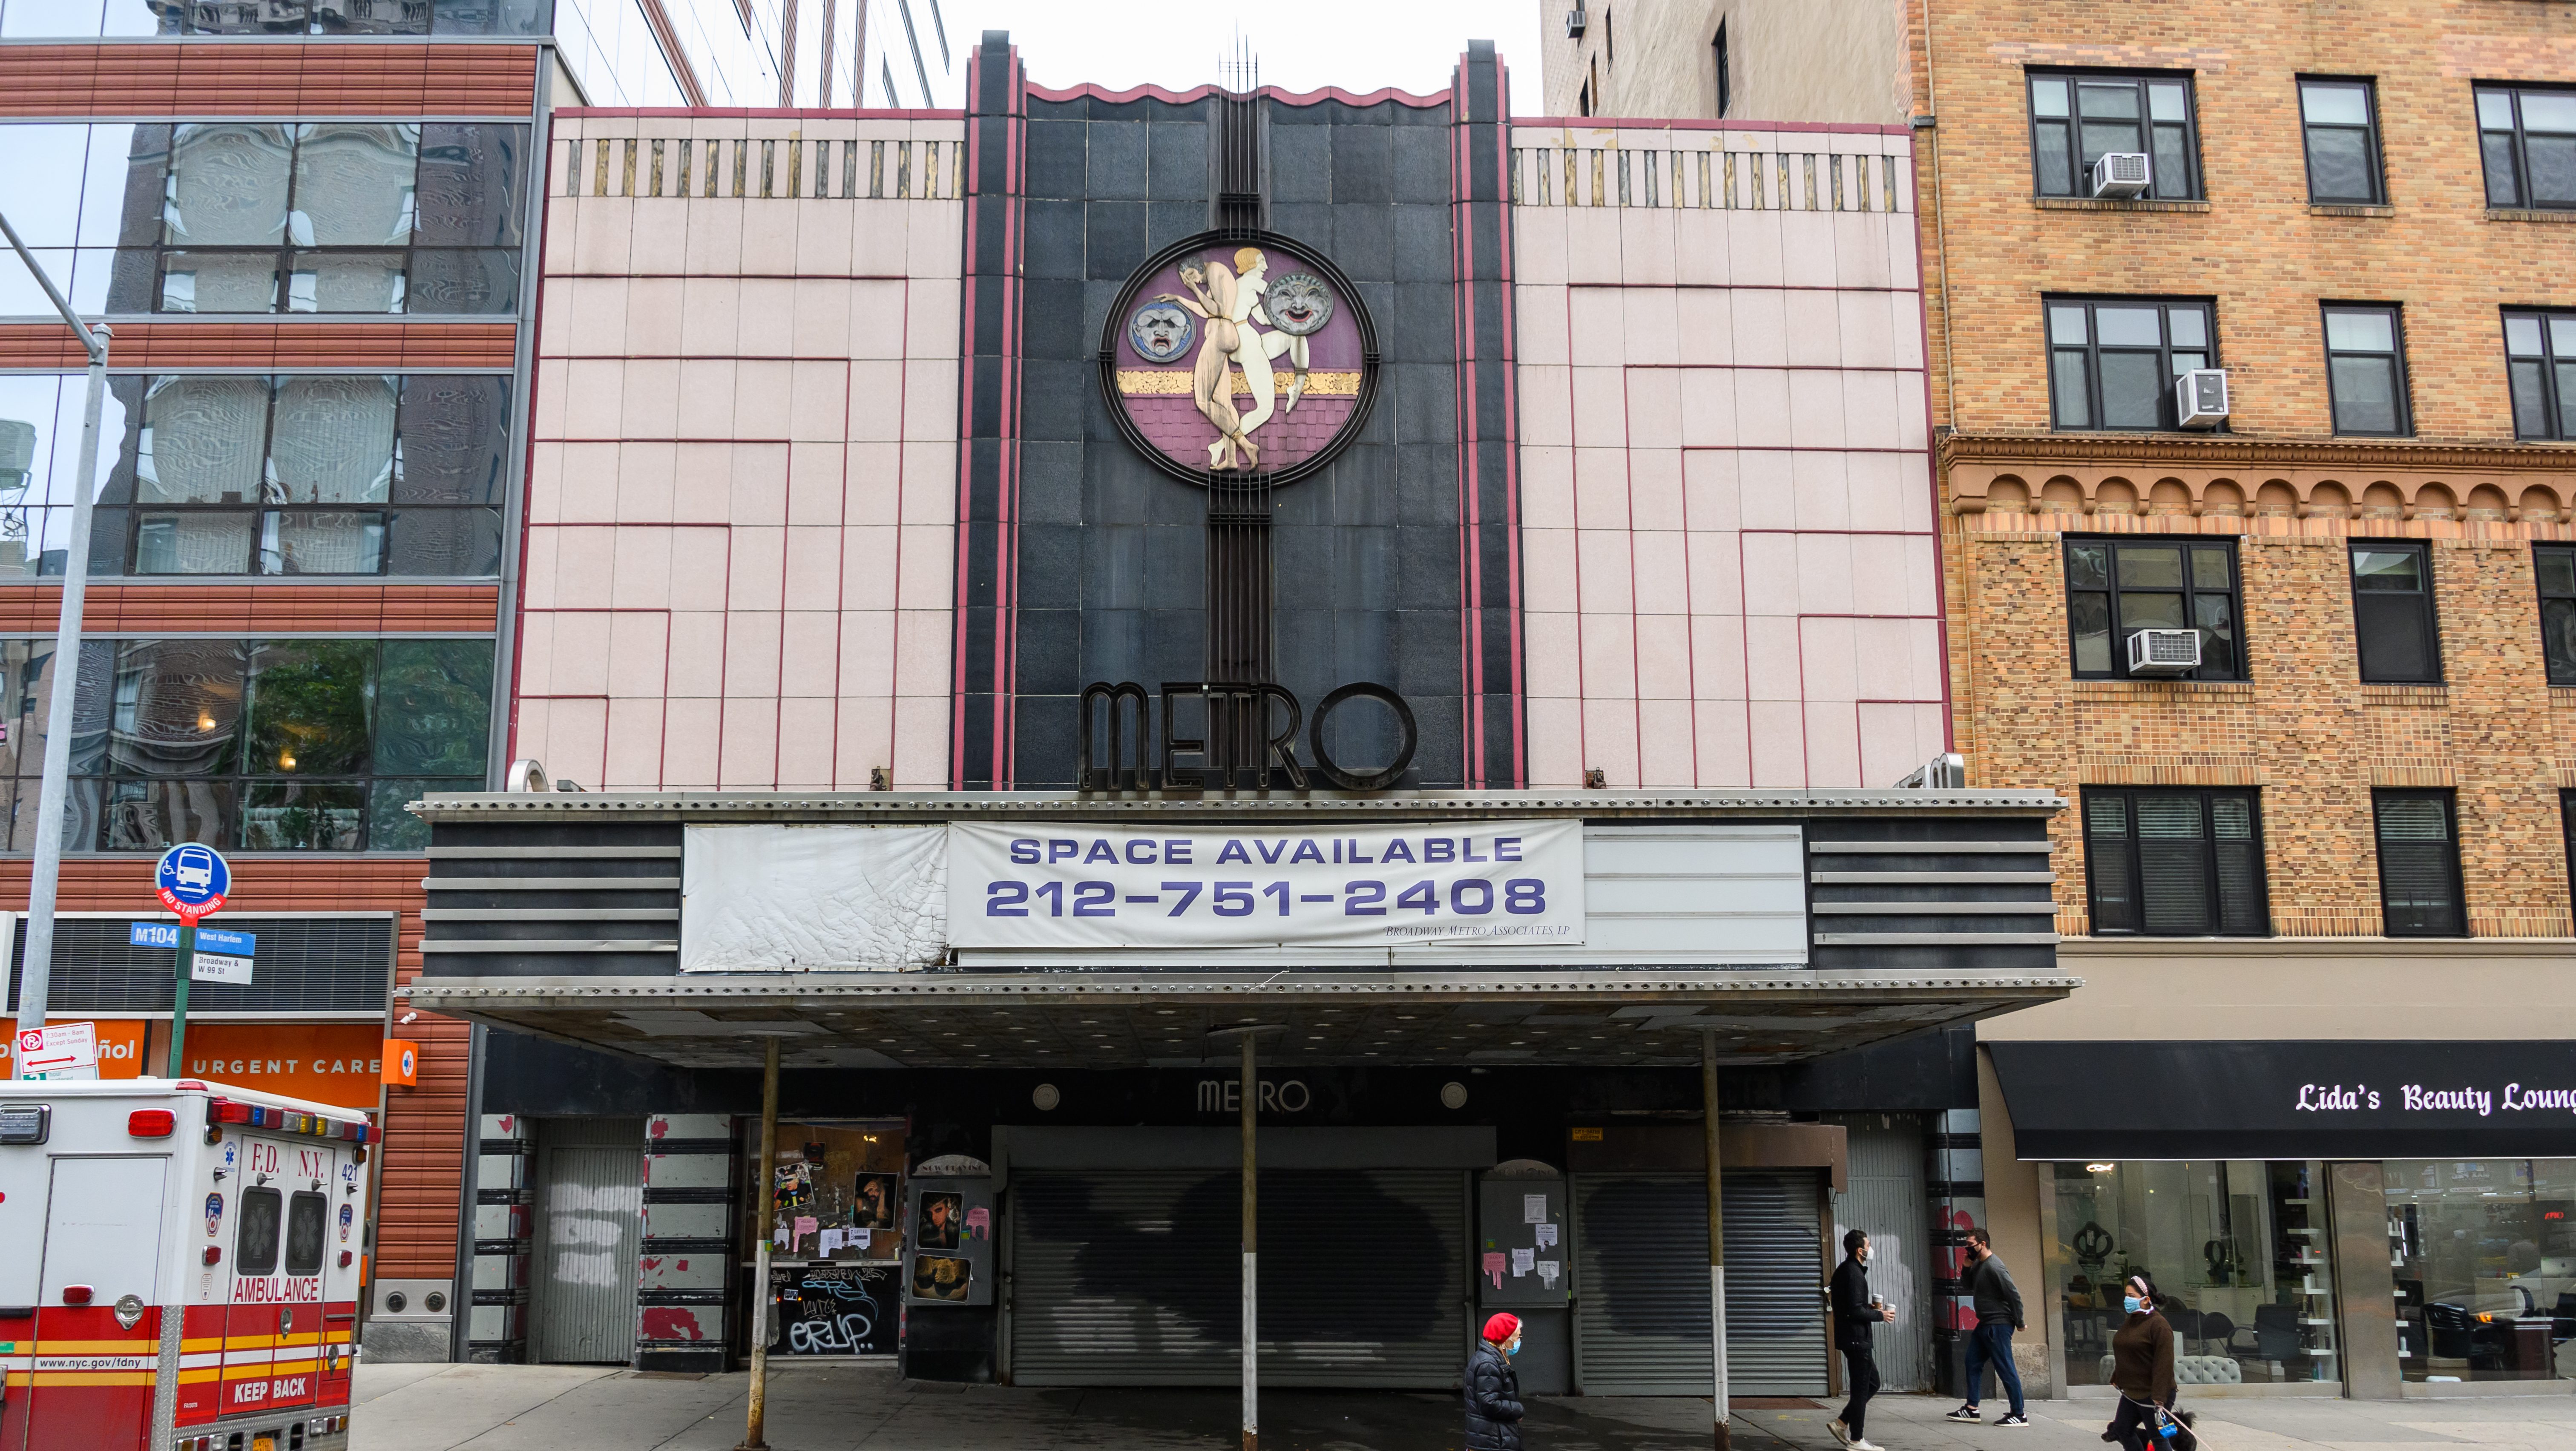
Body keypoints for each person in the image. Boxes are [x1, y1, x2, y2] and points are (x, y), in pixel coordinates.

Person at [1947, 1226, 2030, 1426]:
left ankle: (2019, 1414)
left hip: (1999, 1325)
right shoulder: (1978, 1264)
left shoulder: (1995, 1266)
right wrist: (1966, 1267)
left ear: (1982, 1244)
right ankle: (1972, 1409)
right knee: (1972, 1362)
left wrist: (2019, 1322)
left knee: (2005, 1368)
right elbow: (1967, 1287)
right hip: (1985, 1324)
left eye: (1970, 1245)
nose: (1967, 1249)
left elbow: (2014, 1295)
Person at [1829, 1229, 1895, 1451]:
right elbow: (1854, 1311)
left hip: (1854, 1338)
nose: (1870, 1248)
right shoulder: (1854, 1273)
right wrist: (1880, 1315)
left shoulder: (1848, 1270)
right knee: (1861, 1389)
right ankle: (1857, 1440)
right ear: (1860, 1250)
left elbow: (1850, 1306)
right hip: (1857, 1339)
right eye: (1868, 1245)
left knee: (1872, 1383)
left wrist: (1870, 1309)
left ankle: (1841, 1423)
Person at [2106, 1273, 2179, 1451]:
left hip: (2153, 1394)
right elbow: (2126, 1351)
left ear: (2146, 1300)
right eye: (2126, 1295)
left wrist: (2159, 1397)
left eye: (2131, 1297)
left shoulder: (2159, 1326)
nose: (2126, 1300)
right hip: (2132, 1392)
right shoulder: (2132, 1320)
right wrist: (2118, 1376)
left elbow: (2164, 1363)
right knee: (2122, 1430)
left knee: (2158, 1438)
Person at [1464, 1311, 1526, 1451]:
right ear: (1505, 1340)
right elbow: (1489, 1404)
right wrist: (1517, 1410)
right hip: (1491, 1442)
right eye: (1517, 1337)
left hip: (1491, 1439)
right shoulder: (1488, 1364)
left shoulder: (1490, 1359)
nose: (1519, 1341)